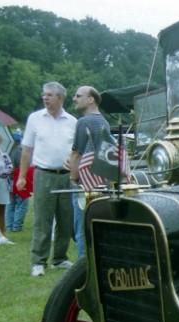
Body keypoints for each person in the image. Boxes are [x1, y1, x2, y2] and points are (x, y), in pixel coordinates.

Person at [17, 81, 77, 276]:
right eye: (44, 95)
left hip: (67, 176)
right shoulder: (35, 119)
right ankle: (38, 261)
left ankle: (60, 258)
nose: (45, 98)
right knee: (43, 219)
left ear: (60, 98)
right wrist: (22, 176)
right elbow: (26, 150)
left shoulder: (72, 121)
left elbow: (78, 151)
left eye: (49, 95)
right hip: (43, 174)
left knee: (66, 219)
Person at [68, 85, 110, 258]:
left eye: (78, 95)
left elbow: (77, 154)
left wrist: (72, 177)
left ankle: (84, 269)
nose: (74, 98)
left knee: (81, 229)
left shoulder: (84, 121)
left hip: (85, 184)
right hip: (102, 182)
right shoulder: (104, 121)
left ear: (91, 99)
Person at [6, 130, 31, 232]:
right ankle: (17, 226)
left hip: (9, 181)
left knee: (11, 204)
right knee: (21, 204)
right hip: (18, 179)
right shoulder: (19, 152)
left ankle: (9, 225)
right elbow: (24, 166)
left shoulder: (6, 151)